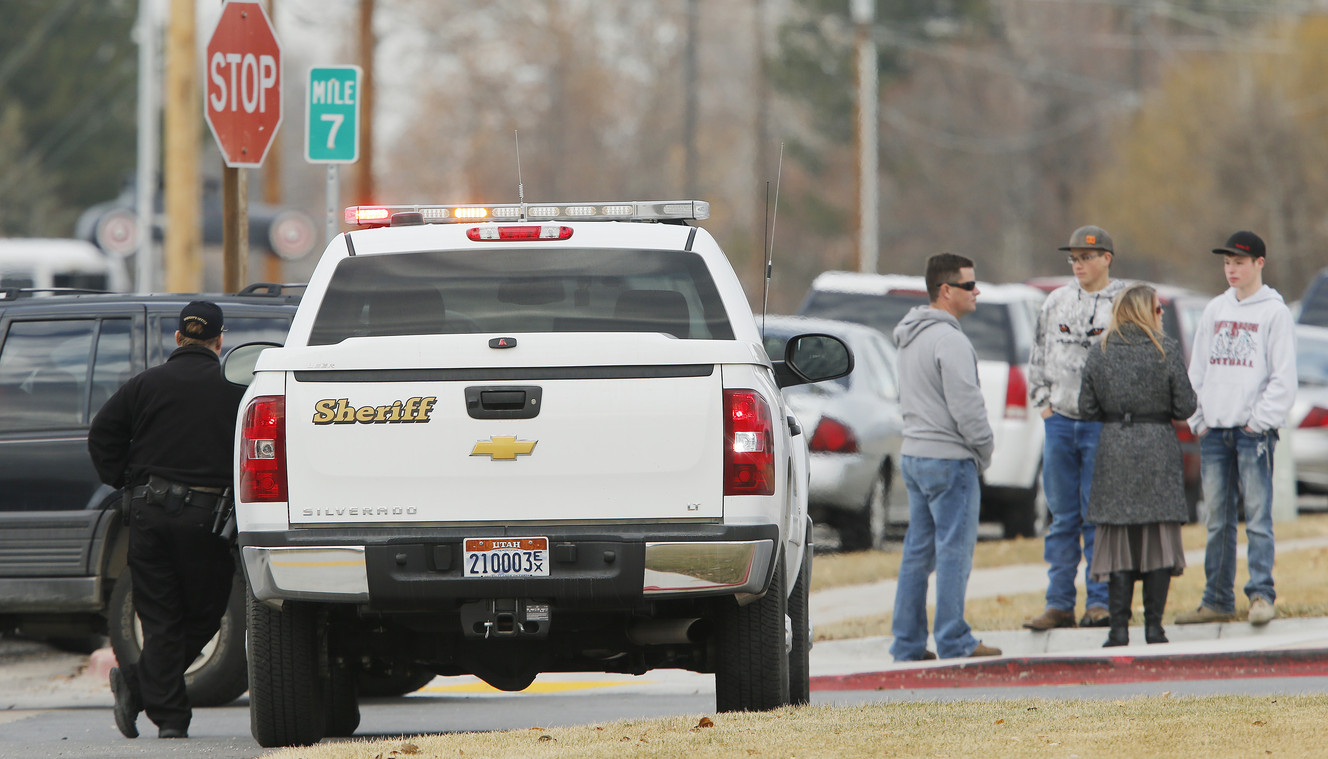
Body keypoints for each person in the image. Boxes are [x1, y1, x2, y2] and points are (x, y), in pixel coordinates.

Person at [87, 301, 244, 740]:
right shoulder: (235, 389)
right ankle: (164, 712)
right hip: (206, 520)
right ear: (219, 339)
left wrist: (124, 481)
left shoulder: (144, 385)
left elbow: (102, 435)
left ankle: (150, 698)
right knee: (205, 614)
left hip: (148, 516)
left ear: (178, 338)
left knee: (160, 619)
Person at [1176, 231, 1296, 627]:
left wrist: (1257, 422)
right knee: (1216, 519)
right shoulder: (1214, 310)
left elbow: (1283, 378)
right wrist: (1199, 419)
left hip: (1252, 434)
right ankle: (1217, 598)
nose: (1231, 269)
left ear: (1259, 263)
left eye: (1239, 262)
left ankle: (1261, 594)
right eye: (1227, 262)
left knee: (1258, 517)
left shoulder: (1274, 313)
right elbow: (1198, 371)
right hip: (1215, 433)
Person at [889, 253, 1000, 661]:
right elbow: (967, 408)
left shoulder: (911, 334)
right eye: (969, 285)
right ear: (946, 290)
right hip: (950, 461)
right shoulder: (950, 340)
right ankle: (954, 639)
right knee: (954, 552)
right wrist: (984, 450)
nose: (977, 292)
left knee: (917, 553)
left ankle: (907, 643)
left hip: (915, 456)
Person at [1079, 284, 1197, 646]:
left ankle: (1117, 629)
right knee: (1157, 539)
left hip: (1115, 447)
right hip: (1157, 446)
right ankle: (1154, 627)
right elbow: (1185, 408)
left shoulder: (1098, 352)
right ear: (1147, 312)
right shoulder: (1167, 350)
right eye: (1158, 309)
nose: (1161, 314)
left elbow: (1087, 409)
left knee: (1118, 539)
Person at [1024, 225, 1127, 631]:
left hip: (1102, 424)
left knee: (1096, 515)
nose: (1079, 264)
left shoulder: (1122, 303)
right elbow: (1037, 355)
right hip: (1061, 422)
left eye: (1086, 257)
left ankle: (1099, 601)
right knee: (1062, 517)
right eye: (1074, 258)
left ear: (1106, 258)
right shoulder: (1056, 303)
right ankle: (1059, 602)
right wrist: (1045, 407)